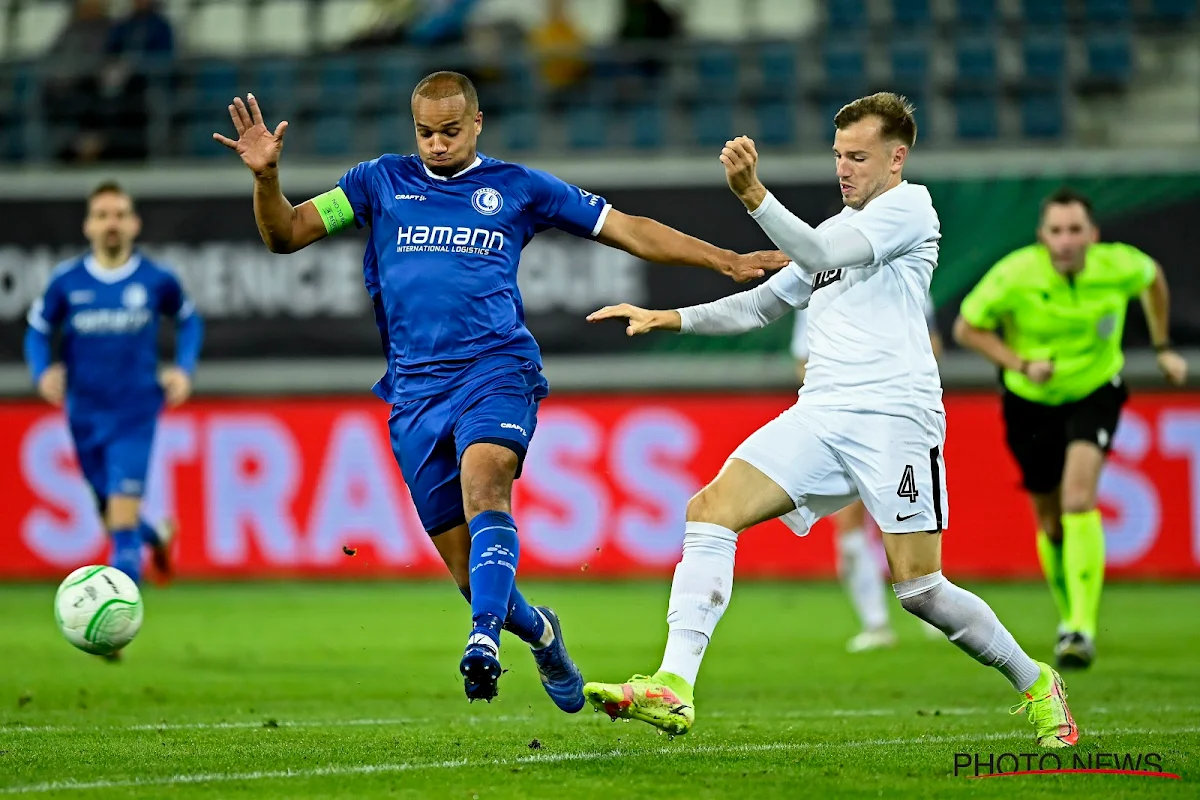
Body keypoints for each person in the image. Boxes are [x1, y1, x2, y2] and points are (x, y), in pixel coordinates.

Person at [213, 72, 787, 709]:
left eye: (451, 132)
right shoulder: (376, 182)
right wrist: (266, 179)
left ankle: (482, 640)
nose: (436, 144)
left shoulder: (518, 188)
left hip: (496, 366)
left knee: (486, 483)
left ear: (477, 124)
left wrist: (727, 262)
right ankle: (539, 631)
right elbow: (285, 235)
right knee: (470, 575)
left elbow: (627, 228)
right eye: (425, 133)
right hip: (414, 393)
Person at [582, 93, 1079, 748]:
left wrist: (753, 194)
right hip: (823, 412)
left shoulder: (909, 208)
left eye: (859, 156)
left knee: (922, 590)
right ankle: (675, 685)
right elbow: (762, 305)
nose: (845, 167)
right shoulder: (834, 231)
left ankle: (1038, 682)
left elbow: (814, 255)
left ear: (896, 158)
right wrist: (671, 318)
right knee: (709, 509)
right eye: (839, 155)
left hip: (895, 417)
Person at [953, 187, 1186, 670]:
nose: (1065, 241)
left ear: (1092, 234)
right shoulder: (1015, 275)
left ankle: (1081, 625)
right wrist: (1018, 361)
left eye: (1075, 230)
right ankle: (1068, 615)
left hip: (1095, 390)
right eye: (1056, 231)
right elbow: (966, 328)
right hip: (1029, 401)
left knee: (1080, 497)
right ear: (1042, 236)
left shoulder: (1117, 265)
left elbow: (1154, 279)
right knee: (1051, 520)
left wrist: (1162, 344)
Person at [24, 181, 202, 610]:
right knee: (110, 513)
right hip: (84, 414)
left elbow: (190, 321)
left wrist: (183, 369)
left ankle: (116, 623)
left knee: (120, 522)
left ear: (134, 223)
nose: (112, 223)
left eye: (120, 214)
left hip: (135, 410)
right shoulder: (66, 281)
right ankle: (157, 537)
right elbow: (37, 330)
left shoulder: (156, 279)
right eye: (103, 215)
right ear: (88, 225)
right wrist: (41, 371)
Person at [791, 293, 944, 652]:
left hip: (897, 419)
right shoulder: (819, 290)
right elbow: (804, 361)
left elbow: (931, 344)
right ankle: (876, 624)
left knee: (910, 517)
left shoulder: (905, 277)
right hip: (843, 421)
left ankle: (935, 611)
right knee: (848, 523)